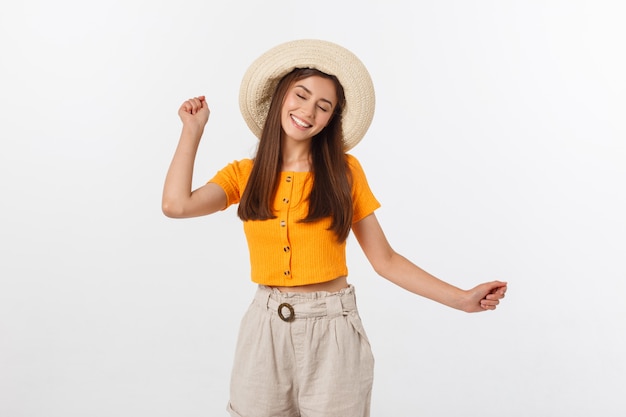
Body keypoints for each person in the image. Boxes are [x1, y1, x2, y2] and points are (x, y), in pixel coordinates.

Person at [162, 39, 507, 417]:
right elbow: (176, 206)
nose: (307, 111)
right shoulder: (243, 175)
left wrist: (460, 298)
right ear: (280, 97)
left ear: (330, 120)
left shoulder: (344, 172)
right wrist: (192, 130)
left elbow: (386, 260)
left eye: (322, 106)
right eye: (301, 95)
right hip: (264, 329)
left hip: (334, 331)